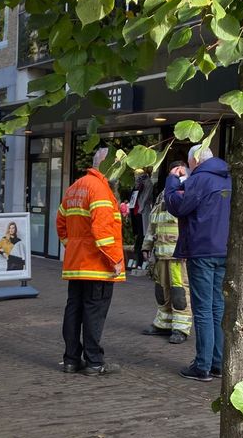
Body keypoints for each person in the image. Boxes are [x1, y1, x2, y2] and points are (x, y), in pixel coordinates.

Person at [166, 145, 232, 383]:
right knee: (217, 308)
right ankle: (217, 363)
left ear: (195, 160)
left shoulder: (200, 179)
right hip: (223, 250)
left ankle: (202, 366)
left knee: (202, 310)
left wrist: (172, 182)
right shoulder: (227, 178)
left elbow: (178, 206)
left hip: (201, 251)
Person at [56, 149, 126, 376]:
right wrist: (115, 259)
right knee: (94, 312)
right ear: (106, 166)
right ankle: (95, 362)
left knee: (74, 309)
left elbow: (61, 223)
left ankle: (71, 360)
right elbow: (103, 231)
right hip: (97, 265)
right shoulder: (101, 190)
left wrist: (73, 246)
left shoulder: (74, 187)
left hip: (77, 264)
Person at [141, 160, 191, 344]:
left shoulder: (187, 191)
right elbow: (154, 222)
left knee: (179, 291)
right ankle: (163, 323)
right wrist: (146, 246)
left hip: (178, 254)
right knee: (161, 290)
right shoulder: (164, 195)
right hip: (161, 253)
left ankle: (181, 328)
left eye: (177, 173)